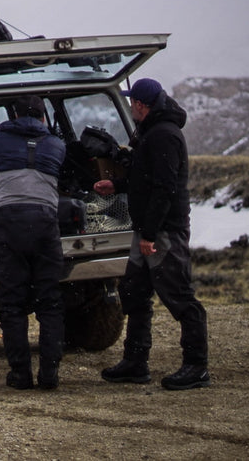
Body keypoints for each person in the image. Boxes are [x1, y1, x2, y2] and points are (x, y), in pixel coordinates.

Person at [94, 78, 210, 390]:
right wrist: (116, 186)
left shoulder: (164, 135)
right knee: (133, 291)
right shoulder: (150, 132)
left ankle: (197, 366)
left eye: (133, 102)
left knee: (179, 296)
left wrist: (148, 234)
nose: (131, 107)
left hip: (162, 231)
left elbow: (164, 187)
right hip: (147, 229)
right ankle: (135, 362)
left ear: (142, 105)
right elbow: (145, 178)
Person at [0, 95, 66, 390]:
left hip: (9, 223)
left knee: (12, 305)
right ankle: (49, 375)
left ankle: (20, 375)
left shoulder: (1, 140)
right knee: (50, 304)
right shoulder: (56, 145)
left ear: (13, 116)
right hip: (45, 222)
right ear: (42, 118)